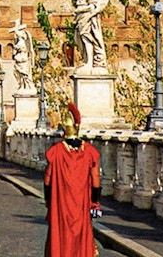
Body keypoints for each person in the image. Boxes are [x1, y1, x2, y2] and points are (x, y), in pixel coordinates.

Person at [44, 102, 102, 257]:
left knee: (61, 236)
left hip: (61, 204)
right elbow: (96, 180)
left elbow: (47, 180)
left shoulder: (56, 152)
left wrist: (49, 202)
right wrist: (95, 203)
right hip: (82, 203)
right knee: (80, 238)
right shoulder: (89, 151)